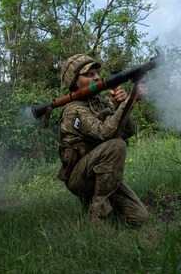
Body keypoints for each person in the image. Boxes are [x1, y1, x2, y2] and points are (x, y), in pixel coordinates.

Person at [57, 54, 149, 227]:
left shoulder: (100, 102)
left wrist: (120, 104)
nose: (97, 77)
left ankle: (100, 206)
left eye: (96, 73)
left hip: (104, 171)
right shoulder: (73, 110)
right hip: (80, 176)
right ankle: (97, 215)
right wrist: (130, 100)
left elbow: (129, 131)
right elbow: (104, 133)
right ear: (76, 81)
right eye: (89, 74)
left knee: (139, 217)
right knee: (116, 145)